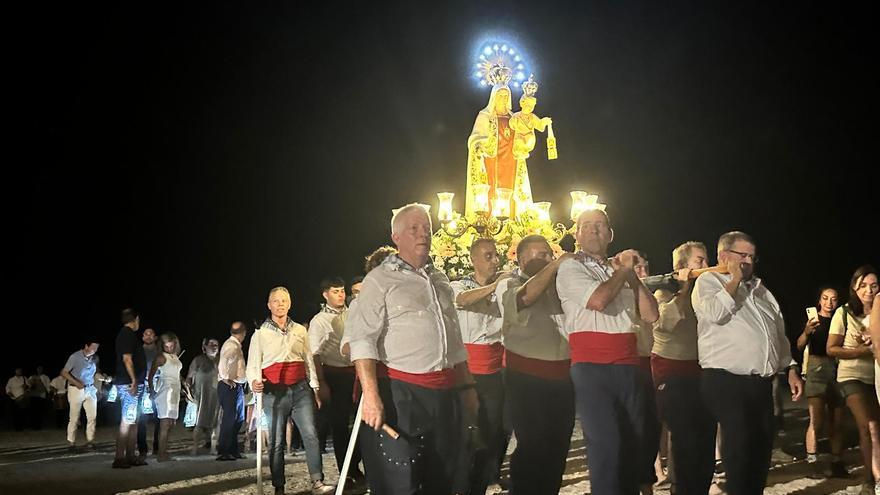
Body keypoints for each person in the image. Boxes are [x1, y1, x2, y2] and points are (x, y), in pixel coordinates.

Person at [347, 204, 478, 495]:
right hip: (401, 394)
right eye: (414, 229)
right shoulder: (379, 280)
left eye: (427, 229)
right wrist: (370, 396)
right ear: (396, 236)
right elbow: (362, 340)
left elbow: (454, 340)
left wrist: (467, 385)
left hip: (445, 394)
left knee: (443, 474)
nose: (423, 234)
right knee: (402, 480)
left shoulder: (441, 280)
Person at [556, 209, 659, 495]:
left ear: (610, 234)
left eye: (600, 225)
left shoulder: (618, 271)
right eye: (586, 225)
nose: (594, 230)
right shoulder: (571, 268)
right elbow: (598, 300)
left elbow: (651, 315)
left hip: (629, 364)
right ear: (576, 234)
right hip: (592, 367)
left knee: (634, 445)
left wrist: (632, 277)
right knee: (607, 447)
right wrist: (624, 271)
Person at [692, 231, 803, 495]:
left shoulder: (762, 291)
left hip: (761, 384)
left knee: (761, 450)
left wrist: (790, 368)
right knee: (739, 450)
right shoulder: (709, 281)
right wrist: (734, 281)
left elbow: (777, 334)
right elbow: (715, 313)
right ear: (723, 255)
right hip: (726, 380)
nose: (748, 261)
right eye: (742, 255)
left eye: (752, 256)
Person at [497, 235, 575, 494]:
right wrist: (556, 265)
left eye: (548, 254)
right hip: (526, 378)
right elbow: (525, 297)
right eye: (538, 255)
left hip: (562, 379)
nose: (545, 259)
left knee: (558, 448)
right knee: (533, 447)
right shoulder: (508, 282)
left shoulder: (559, 287)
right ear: (520, 259)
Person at [247, 286, 335, 495]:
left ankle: (317, 481)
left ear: (290, 303)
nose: (280, 304)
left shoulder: (299, 330)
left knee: (311, 434)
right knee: (276, 441)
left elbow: (308, 360)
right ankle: (279, 486)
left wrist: (314, 387)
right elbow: (253, 364)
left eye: (284, 300)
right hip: (273, 392)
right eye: (276, 301)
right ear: (269, 305)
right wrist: (254, 382)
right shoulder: (260, 334)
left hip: (300, 389)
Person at [651, 241, 716, 494]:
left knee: (705, 435)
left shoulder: (705, 294)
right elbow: (664, 323)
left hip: (701, 372)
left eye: (706, 259)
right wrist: (685, 286)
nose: (706, 266)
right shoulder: (664, 293)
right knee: (684, 439)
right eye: (699, 261)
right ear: (681, 266)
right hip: (673, 373)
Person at [451, 238, 507, 495]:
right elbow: (463, 300)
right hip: (467, 369)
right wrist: (497, 286)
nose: (495, 261)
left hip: (495, 368)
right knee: (466, 428)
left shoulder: (505, 288)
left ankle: (487, 478)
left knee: (494, 427)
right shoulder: (458, 285)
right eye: (488, 256)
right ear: (473, 259)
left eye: (496, 256)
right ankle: (461, 480)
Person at [309, 277, 366, 489]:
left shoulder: (353, 312)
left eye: (342, 291)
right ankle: (347, 472)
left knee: (362, 423)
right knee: (340, 426)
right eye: (335, 291)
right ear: (325, 294)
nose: (341, 295)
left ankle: (356, 464)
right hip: (333, 374)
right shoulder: (319, 321)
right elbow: (314, 354)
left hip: (355, 373)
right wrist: (320, 383)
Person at [827, 265, 879, 494]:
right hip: (851, 375)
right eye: (863, 285)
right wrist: (862, 350)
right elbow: (831, 349)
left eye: (874, 285)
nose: (868, 290)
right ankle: (870, 481)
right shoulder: (844, 313)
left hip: (876, 376)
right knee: (869, 425)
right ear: (854, 288)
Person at [796, 287, 846, 477]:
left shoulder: (841, 319)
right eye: (825, 298)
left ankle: (837, 462)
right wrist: (807, 331)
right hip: (816, 368)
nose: (829, 303)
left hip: (837, 367)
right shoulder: (812, 319)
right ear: (819, 300)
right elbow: (799, 345)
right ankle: (812, 461)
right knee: (815, 420)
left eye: (833, 299)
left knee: (837, 420)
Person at [113, 308, 147, 468]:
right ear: (137, 319)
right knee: (127, 420)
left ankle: (131, 455)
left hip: (135, 384)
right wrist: (133, 380)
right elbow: (127, 359)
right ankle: (119, 458)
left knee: (134, 421)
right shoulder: (126, 334)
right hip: (129, 384)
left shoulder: (127, 334)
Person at [148, 332, 183, 461]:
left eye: (172, 346)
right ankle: (160, 454)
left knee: (171, 423)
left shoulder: (174, 356)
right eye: (167, 346)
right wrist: (152, 391)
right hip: (166, 390)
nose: (169, 348)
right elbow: (151, 375)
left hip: (175, 390)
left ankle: (164, 451)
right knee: (164, 423)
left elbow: (176, 374)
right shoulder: (161, 357)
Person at [62, 338, 100, 451]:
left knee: (92, 417)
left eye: (96, 348)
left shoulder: (95, 358)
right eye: (93, 347)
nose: (94, 350)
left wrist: (102, 377)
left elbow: (96, 372)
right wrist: (76, 382)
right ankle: (71, 442)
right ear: (86, 346)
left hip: (90, 389)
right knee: (74, 418)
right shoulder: (75, 357)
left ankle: (90, 441)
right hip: (75, 389)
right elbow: (64, 372)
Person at [217, 322, 248, 461]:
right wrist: (225, 378)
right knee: (230, 419)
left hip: (237, 385)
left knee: (238, 419)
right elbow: (223, 361)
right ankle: (224, 451)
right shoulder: (231, 345)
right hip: (229, 385)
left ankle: (233, 449)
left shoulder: (235, 345)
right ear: (244, 333)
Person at [187, 337, 221, 455]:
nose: (214, 346)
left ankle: (213, 448)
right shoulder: (198, 360)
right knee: (199, 423)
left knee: (215, 423)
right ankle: (194, 448)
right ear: (205, 347)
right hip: (200, 396)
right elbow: (189, 378)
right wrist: (188, 393)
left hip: (216, 397)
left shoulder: (221, 360)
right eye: (211, 344)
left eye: (216, 344)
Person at [137, 328, 160, 459]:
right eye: (146, 334)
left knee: (159, 418)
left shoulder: (159, 351)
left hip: (157, 386)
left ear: (155, 337)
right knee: (141, 419)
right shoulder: (138, 351)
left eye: (151, 334)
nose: (149, 336)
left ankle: (157, 447)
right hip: (142, 386)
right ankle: (142, 449)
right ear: (143, 337)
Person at [28, 365, 51, 430]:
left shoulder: (45, 377)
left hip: (41, 395)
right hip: (33, 395)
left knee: (40, 411)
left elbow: (48, 386)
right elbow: (28, 386)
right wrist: (33, 383)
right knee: (33, 411)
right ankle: (33, 425)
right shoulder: (32, 377)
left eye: (41, 369)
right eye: (38, 369)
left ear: (42, 370)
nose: (39, 370)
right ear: (36, 370)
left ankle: (39, 425)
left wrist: (49, 394)